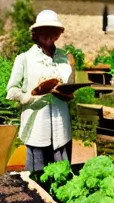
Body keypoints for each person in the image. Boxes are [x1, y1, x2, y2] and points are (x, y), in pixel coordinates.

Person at [6, 10, 74, 172]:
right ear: (36, 33)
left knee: (61, 174)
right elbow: (11, 90)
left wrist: (65, 92)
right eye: (44, 31)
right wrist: (28, 97)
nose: (48, 35)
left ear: (58, 34)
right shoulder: (24, 59)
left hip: (61, 124)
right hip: (37, 124)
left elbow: (69, 89)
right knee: (38, 175)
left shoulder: (64, 58)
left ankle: (58, 198)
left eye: (53, 31)